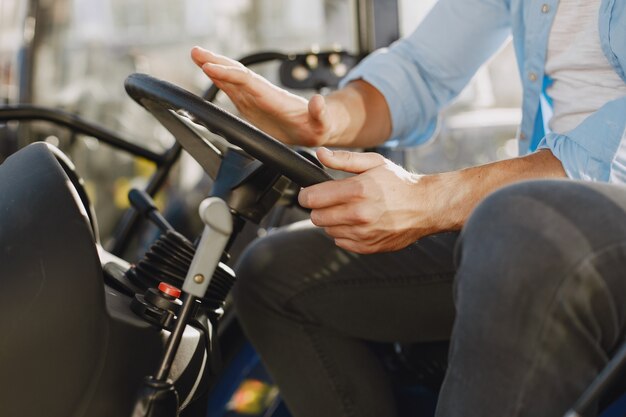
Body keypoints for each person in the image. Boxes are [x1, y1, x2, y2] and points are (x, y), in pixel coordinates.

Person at [191, 0, 626, 415]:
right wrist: (321, 121)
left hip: (565, 225)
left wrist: (430, 198)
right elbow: (423, 70)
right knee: (276, 273)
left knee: (518, 226)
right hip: (536, 224)